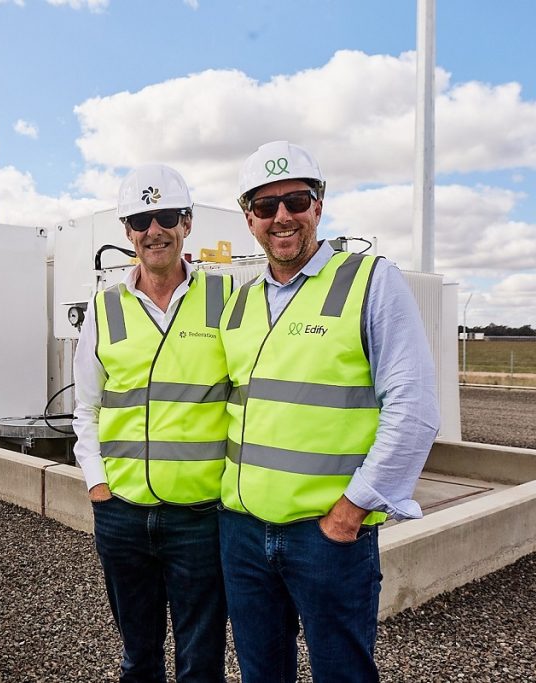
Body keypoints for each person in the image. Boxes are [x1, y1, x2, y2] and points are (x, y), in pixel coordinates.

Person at [218, 141, 440, 683]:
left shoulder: (370, 281)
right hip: (244, 534)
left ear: (318, 205)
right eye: (266, 207)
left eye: (295, 200)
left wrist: (351, 512)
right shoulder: (239, 302)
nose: (282, 217)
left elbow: (413, 408)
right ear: (249, 218)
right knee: (260, 674)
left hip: (326, 537)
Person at [72, 164, 232, 682]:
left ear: (187, 223)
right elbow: (86, 408)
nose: (153, 230)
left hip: (199, 516)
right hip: (122, 515)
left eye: (165, 216)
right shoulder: (104, 307)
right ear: (127, 231)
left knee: (200, 661)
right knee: (138, 658)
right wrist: (97, 485)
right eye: (141, 219)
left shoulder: (226, 300)